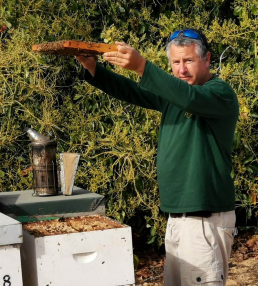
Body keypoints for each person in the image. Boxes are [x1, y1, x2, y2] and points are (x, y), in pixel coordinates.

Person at [76, 29, 239, 286]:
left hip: (204, 221)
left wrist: (141, 65)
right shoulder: (174, 96)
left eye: (188, 61)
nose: (182, 69)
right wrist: (93, 67)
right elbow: (131, 90)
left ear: (207, 59)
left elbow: (190, 98)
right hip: (178, 218)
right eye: (176, 62)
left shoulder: (219, 93)